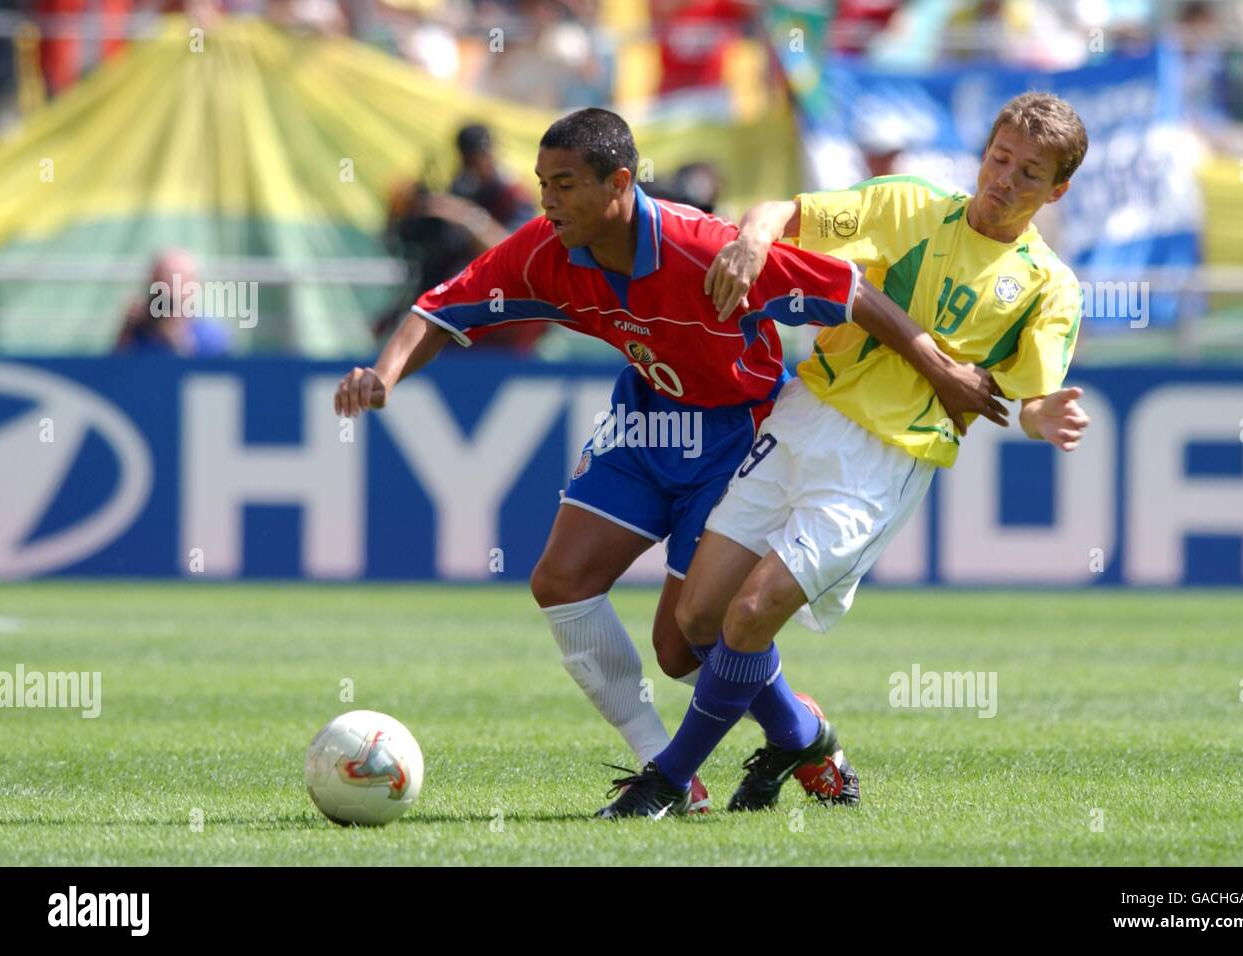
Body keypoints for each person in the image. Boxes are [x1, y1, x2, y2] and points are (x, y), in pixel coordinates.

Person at [333, 107, 1004, 814]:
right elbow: (442, 308)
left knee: (684, 646)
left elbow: (849, 292)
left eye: (565, 184)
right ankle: (667, 771)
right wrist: (384, 375)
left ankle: (803, 733)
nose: (546, 200)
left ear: (620, 182)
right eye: (542, 183)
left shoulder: (705, 247)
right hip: (646, 421)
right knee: (559, 579)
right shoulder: (544, 249)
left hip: (736, 438)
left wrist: (939, 366)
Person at [599, 92, 1092, 818]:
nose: (1004, 181)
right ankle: (802, 734)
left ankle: (667, 779)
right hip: (803, 416)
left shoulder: (1050, 286)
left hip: (883, 462)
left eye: (1028, 174)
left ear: (1058, 190)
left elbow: (1031, 394)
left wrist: (1044, 412)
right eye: (999, 159)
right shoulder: (911, 205)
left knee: (750, 614)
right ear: (983, 152)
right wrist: (752, 240)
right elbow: (783, 211)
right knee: (696, 624)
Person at [114, 249, 231, 358]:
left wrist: (179, 338)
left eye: (177, 284)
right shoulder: (138, 330)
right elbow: (115, 370)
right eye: (160, 284)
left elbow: (216, 372)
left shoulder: (210, 336)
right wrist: (127, 330)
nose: (169, 293)